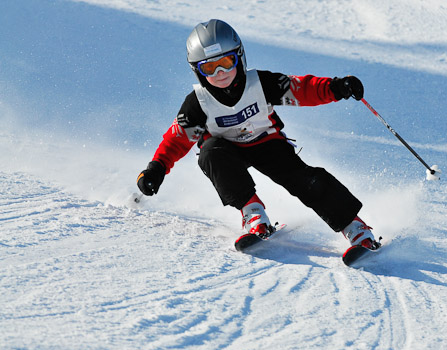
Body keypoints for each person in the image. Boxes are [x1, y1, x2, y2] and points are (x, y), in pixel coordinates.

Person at [137, 19, 378, 251]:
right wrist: (157, 167)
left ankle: (356, 229)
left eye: (227, 62)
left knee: (306, 181)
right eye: (209, 67)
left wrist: (335, 88)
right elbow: (177, 139)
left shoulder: (261, 83)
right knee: (209, 154)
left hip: (268, 144)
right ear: (198, 71)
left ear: (239, 57)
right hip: (226, 151)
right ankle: (253, 213)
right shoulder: (198, 104)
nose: (220, 72)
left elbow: (302, 89)